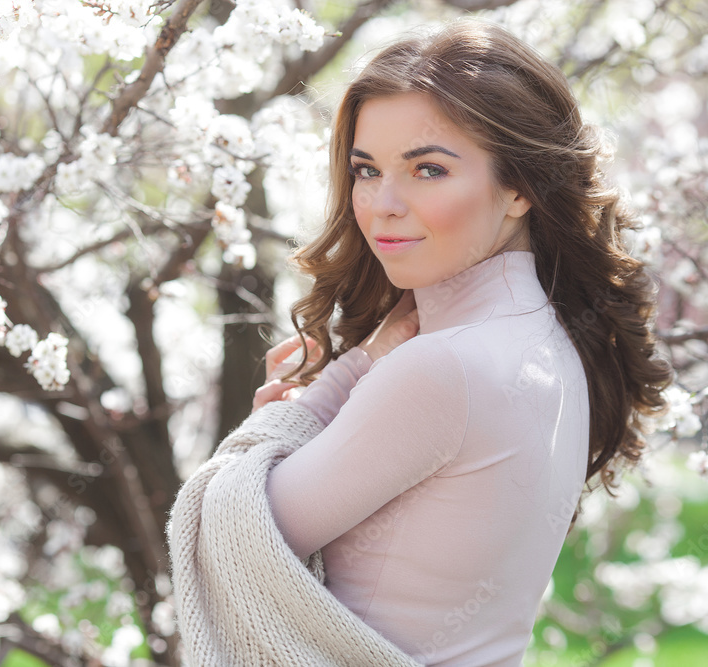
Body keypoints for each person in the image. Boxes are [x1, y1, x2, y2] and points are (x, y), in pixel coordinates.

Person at [168, 19, 672, 667]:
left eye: (428, 169)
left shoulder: (442, 367)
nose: (383, 204)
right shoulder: (549, 340)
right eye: (366, 170)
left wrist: (314, 396)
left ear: (520, 186)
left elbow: (225, 538)